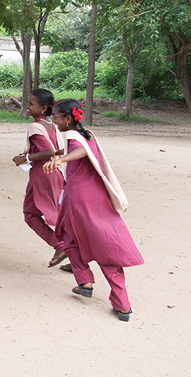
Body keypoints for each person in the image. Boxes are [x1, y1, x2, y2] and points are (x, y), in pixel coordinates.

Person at [44, 99, 144, 322]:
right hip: (97, 198)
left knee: (70, 238)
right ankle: (120, 304)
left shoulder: (73, 137)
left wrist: (61, 159)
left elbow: (80, 151)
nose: (54, 122)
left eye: (56, 118)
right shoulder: (86, 133)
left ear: (68, 119)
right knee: (105, 245)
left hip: (79, 197)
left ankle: (85, 280)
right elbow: (82, 148)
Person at [12, 89, 67, 267]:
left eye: (31, 104)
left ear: (43, 108)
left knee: (32, 215)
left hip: (43, 176)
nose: (27, 106)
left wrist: (25, 158)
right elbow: (58, 151)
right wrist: (29, 153)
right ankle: (75, 257)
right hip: (56, 174)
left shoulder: (36, 127)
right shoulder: (53, 125)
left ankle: (63, 247)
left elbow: (49, 151)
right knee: (57, 215)